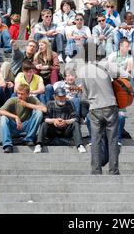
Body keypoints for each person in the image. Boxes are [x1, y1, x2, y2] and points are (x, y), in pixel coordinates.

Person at [77, 41, 120, 175]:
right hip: (110, 105)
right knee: (112, 140)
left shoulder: (82, 71)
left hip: (94, 108)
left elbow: (84, 96)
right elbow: (125, 75)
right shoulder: (106, 64)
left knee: (95, 141)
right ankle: (113, 170)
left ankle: (96, 170)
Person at [34, 87, 86, 153]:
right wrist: (54, 120)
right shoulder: (50, 104)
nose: (62, 98)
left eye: (63, 96)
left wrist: (66, 122)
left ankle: (80, 145)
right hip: (53, 130)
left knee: (75, 124)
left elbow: (76, 118)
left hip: (66, 130)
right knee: (44, 124)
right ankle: (39, 144)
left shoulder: (70, 103)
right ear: (55, 97)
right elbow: (44, 118)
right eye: (59, 97)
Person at [0, 83, 47, 153]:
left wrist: (27, 104)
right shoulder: (13, 100)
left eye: (22, 94)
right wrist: (15, 117)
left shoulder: (32, 99)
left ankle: (29, 139)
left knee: (39, 113)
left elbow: (44, 109)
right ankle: (7, 145)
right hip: (15, 126)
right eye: (18, 93)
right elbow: (0, 111)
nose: (19, 96)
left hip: (27, 126)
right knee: (3, 118)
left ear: (28, 94)